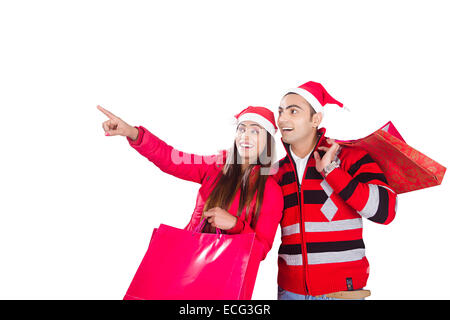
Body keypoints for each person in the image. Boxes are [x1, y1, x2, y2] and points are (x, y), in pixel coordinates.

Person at [97, 105, 283, 298]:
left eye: (255, 131)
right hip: (186, 267)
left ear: (268, 141)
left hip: (224, 280)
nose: (245, 136)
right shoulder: (215, 166)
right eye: (242, 129)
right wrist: (133, 133)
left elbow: (259, 251)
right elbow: (170, 159)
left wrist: (235, 224)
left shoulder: (271, 191)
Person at [273, 81, 397, 300]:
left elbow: (386, 211)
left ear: (316, 119)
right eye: (281, 111)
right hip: (290, 292)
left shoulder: (350, 157)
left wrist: (332, 171)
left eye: (293, 111)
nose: (283, 119)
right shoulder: (277, 172)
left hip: (341, 293)